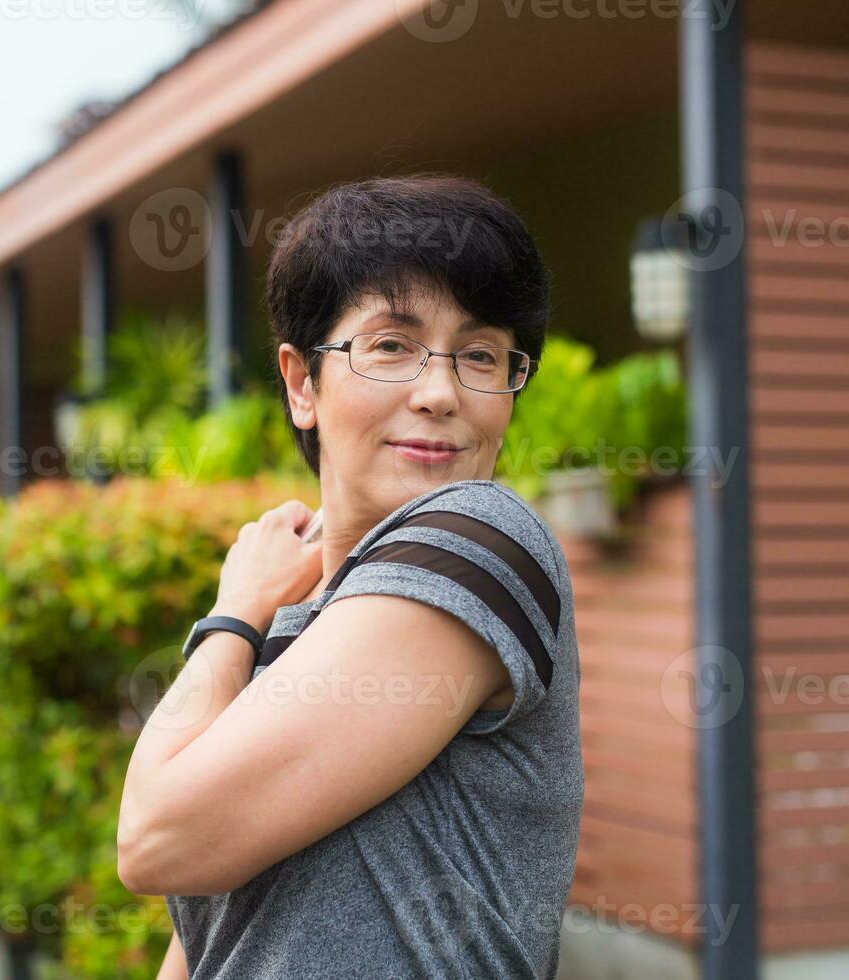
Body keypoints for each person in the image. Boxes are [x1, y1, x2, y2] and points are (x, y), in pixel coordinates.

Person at [117, 173, 583, 979]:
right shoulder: (300, 621)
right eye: (392, 345)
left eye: (481, 355)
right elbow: (208, 934)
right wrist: (254, 612)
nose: (440, 393)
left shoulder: (480, 543)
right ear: (302, 382)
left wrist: (230, 616)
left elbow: (159, 836)